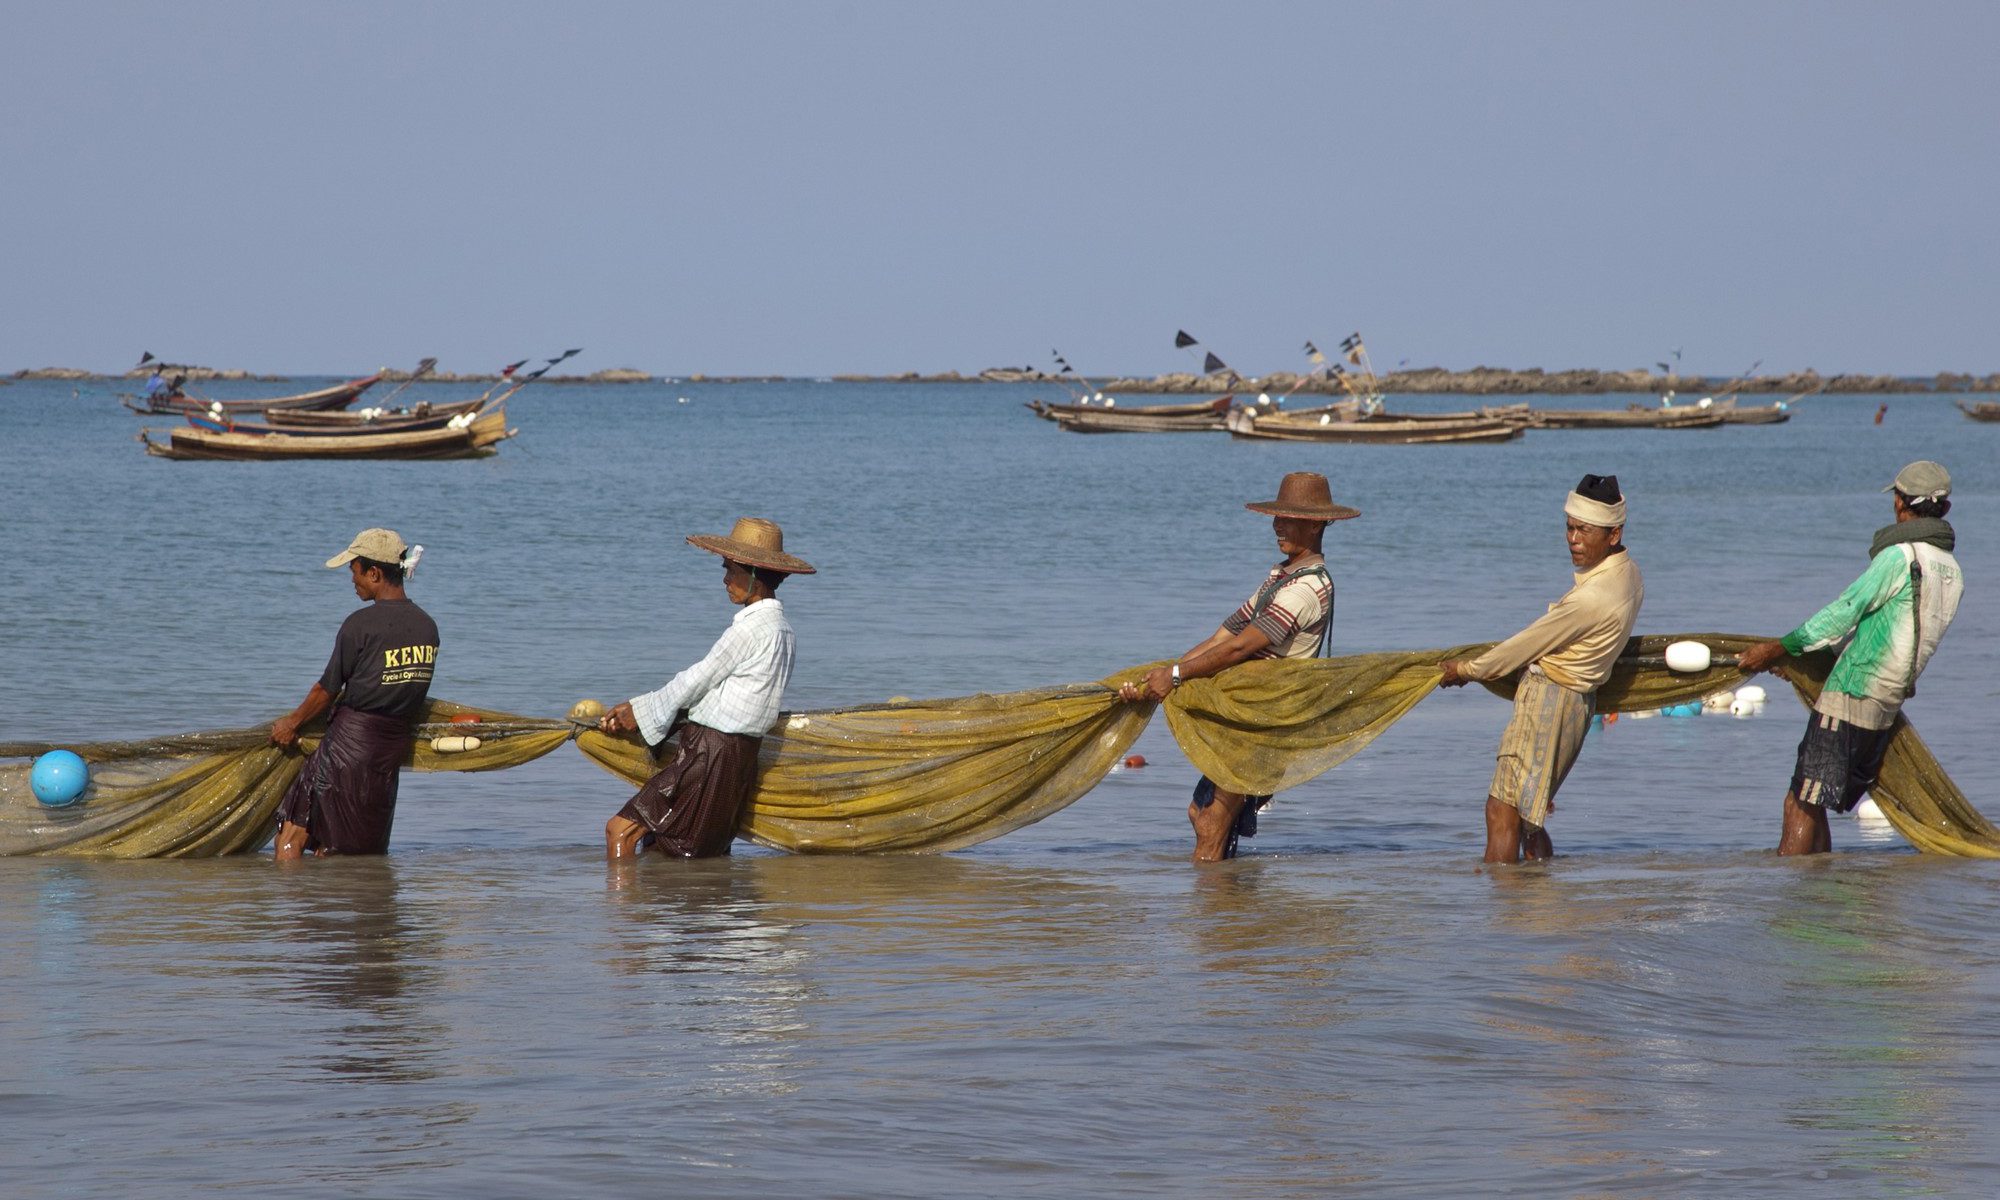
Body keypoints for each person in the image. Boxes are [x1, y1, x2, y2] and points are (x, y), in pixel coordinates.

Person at [1118, 471, 1359, 862]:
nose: (1277, 527)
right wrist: (1162, 676)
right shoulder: (1279, 579)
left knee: (1213, 821)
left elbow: (1241, 648)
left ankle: (1214, 916)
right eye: (1276, 518)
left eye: (1288, 520)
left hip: (1262, 723)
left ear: (1315, 525)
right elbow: (1222, 637)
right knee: (1201, 813)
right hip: (1245, 718)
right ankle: (1232, 911)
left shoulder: (1308, 588)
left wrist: (1176, 677)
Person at [1737, 461, 1963, 855]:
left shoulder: (1898, 558)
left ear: (1899, 504)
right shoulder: (1952, 572)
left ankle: (1791, 899)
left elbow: (1844, 612)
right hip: (1886, 706)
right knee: (1815, 800)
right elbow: (1888, 633)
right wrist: (1805, 662)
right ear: (1944, 510)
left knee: (1800, 800)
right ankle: (1821, 891)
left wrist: (1779, 647)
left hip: (1851, 695)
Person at [1439, 475, 1644, 864]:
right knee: (1530, 819)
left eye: (1584, 530)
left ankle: (1503, 909)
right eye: (1569, 527)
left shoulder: (1593, 598)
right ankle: (1537, 895)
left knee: (1502, 810)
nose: (1573, 539)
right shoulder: (1631, 575)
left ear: (1613, 535)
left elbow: (1523, 646)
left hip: (1548, 703)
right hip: (1577, 706)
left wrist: (1466, 669)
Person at [599, 517, 813, 860]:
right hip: (739, 760)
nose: (725, 579)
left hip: (708, 752)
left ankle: (620, 911)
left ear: (755, 573)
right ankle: (677, 908)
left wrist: (638, 710)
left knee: (620, 830)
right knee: (686, 850)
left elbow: (697, 680)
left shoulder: (750, 630)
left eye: (731, 570)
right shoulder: (784, 631)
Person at [270, 529, 438, 859]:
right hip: (386, 755)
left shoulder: (360, 625)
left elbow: (326, 690)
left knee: (293, 835)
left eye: (355, 571)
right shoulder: (427, 627)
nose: (352, 580)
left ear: (374, 573)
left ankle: (291, 903)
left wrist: (291, 723)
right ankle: (354, 903)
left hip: (347, 749)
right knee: (358, 844)